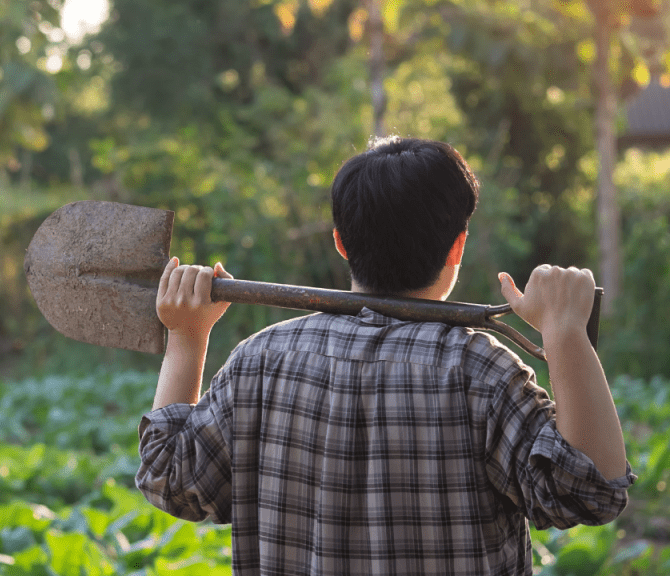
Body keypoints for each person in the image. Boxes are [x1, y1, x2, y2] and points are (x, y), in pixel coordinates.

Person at [135, 137, 635, 575]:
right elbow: (590, 492)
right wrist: (566, 335)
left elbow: (168, 476)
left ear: (341, 244)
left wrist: (186, 337)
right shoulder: (480, 370)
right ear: (457, 246)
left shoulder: (258, 362)